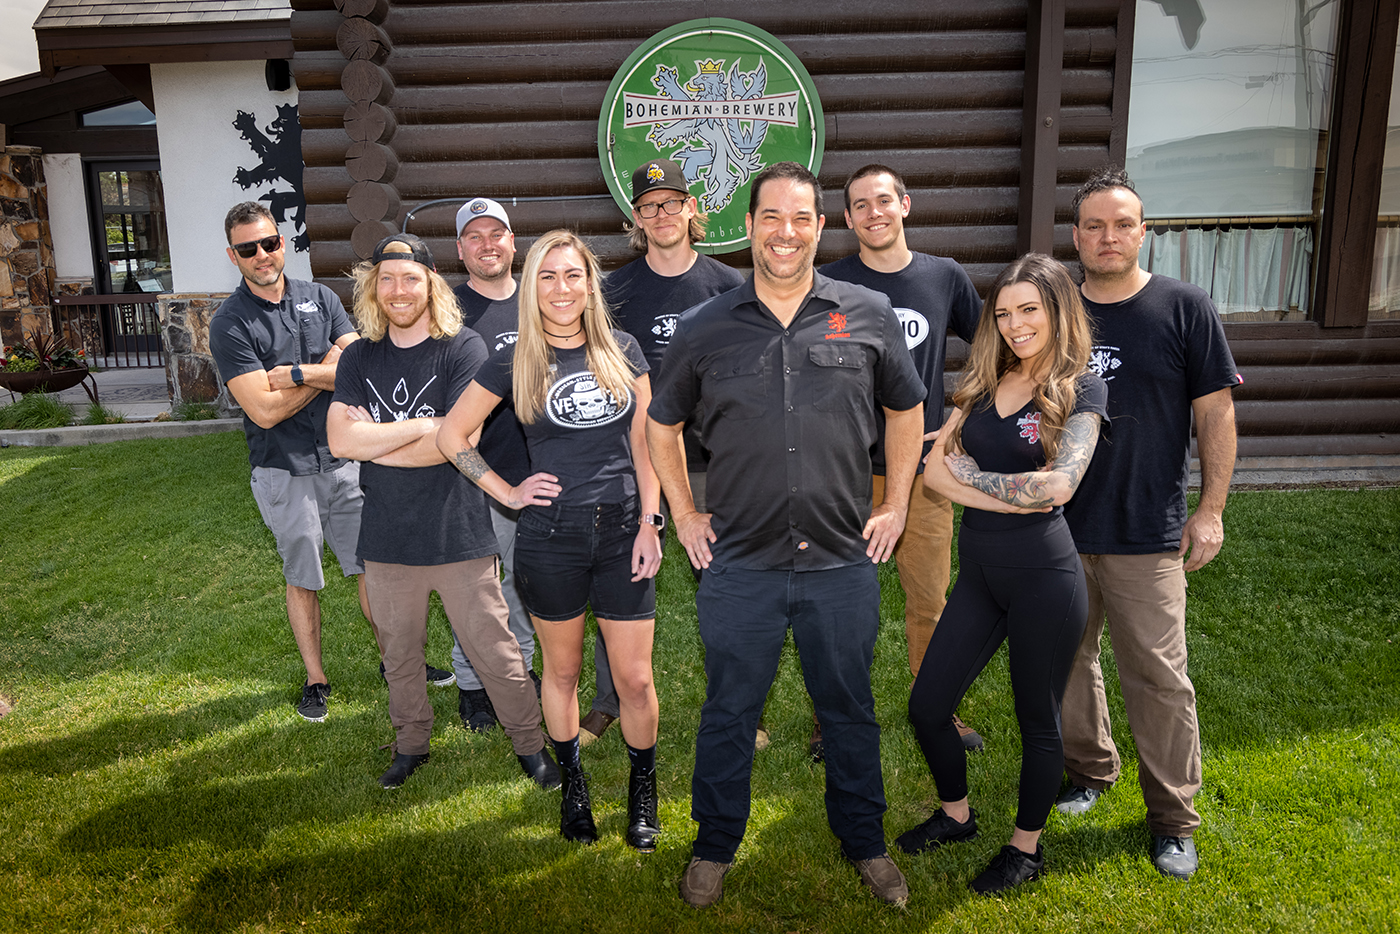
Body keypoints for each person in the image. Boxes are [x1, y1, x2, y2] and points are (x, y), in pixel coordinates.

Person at [647, 162, 926, 909]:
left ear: (819, 227)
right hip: (741, 561)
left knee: (848, 709)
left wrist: (895, 503)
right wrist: (684, 511)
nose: (786, 233)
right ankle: (714, 845)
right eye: (771, 217)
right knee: (731, 710)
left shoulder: (864, 311)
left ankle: (865, 841)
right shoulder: (706, 327)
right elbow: (661, 423)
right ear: (750, 226)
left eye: (801, 218)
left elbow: (907, 410)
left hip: (841, 558)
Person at [437, 229, 664, 852]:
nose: (561, 289)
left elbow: (649, 447)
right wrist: (507, 492)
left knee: (635, 681)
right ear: (532, 286)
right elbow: (453, 436)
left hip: (624, 532)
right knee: (560, 673)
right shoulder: (513, 357)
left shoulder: (623, 348)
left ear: (590, 284)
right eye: (547, 276)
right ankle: (574, 788)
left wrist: (652, 522)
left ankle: (643, 791)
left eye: (573, 276)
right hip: (551, 536)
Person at [897, 253, 1108, 895]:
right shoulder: (988, 380)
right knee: (928, 707)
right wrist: (1006, 490)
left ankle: (1025, 849)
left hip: (1046, 577)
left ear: (1057, 311)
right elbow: (932, 472)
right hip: (983, 574)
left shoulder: (1082, 387)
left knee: (1035, 719)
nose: (1015, 325)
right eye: (1006, 312)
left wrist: (974, 479)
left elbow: (1060, 484)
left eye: (1030, 311)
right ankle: (957, 816)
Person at [1054, 166, 1240, 881]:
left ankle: (1172, 819)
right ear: (1076, 236)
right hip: (1058, 525)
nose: (1108, 236)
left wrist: (1211, 510)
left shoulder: (1184, 307)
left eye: (1122, 223)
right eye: (1094, 225)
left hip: (1145, 528)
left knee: (1159, 678)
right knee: (1065, 660)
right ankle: (1089, 770)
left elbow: (1215, 412)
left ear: (1143, 230)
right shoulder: (1054, 306)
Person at [325, 233, 559, 790]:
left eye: (411, 279)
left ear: (431, 284)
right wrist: (429, 427)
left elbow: (462, 440)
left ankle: (530, 745)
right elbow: (340, 441)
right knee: (399, 655)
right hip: (386, 537)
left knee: (497, 651)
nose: (399, 290)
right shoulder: (358, 354)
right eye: (387, 279)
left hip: (458, 532)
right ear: (372, 289)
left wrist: (379, 438)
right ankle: (411, 745)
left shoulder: (464, 349)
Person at [578, 158, 744, 748]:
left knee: (723, 585)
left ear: (692, 208)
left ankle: (738, 708)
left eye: (672, 202)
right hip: (630, 460)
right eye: (648, 206)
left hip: (712, 461)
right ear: (636, 219)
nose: (661, 214)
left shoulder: (729, 286)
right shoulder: (614, 291)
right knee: (614, 579)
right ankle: (607, 701)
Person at [820, 163, 985, 756]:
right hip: (844, 472)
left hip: (922, 472)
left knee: (930, 597)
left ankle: (935, 705)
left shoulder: (944, 278)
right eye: (860, 205)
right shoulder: (828, 283)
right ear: (847, 219)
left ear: (906, 205)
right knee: (836, 600)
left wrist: (959, 416)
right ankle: (833, 715)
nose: (874, 213)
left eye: (883, 200)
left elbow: (995, 347)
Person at [209, 202, 381, 723]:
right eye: (248, 249)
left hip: (344, 456)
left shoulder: (320, 297)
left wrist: (294, 375)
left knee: (372, 565)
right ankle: (316, 678)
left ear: (282, 242)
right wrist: (324, 371)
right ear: (233, 256)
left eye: (270, 242)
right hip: (282, 467)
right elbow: (262, 412)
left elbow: (358, 365)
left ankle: (401, 663)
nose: (263, 255)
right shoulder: (230, 323)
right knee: (303, 574)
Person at [447, 196, 542, 734]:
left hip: (534, 472)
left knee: (523, 585)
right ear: (461, 249)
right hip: (470, 472)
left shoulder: (538, 300)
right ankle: (471, 685)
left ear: (513, 241)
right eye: (475, 237)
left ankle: (519, 673)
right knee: (475, 589)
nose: (487, 245)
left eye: (496, 234)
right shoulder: (447, 310)